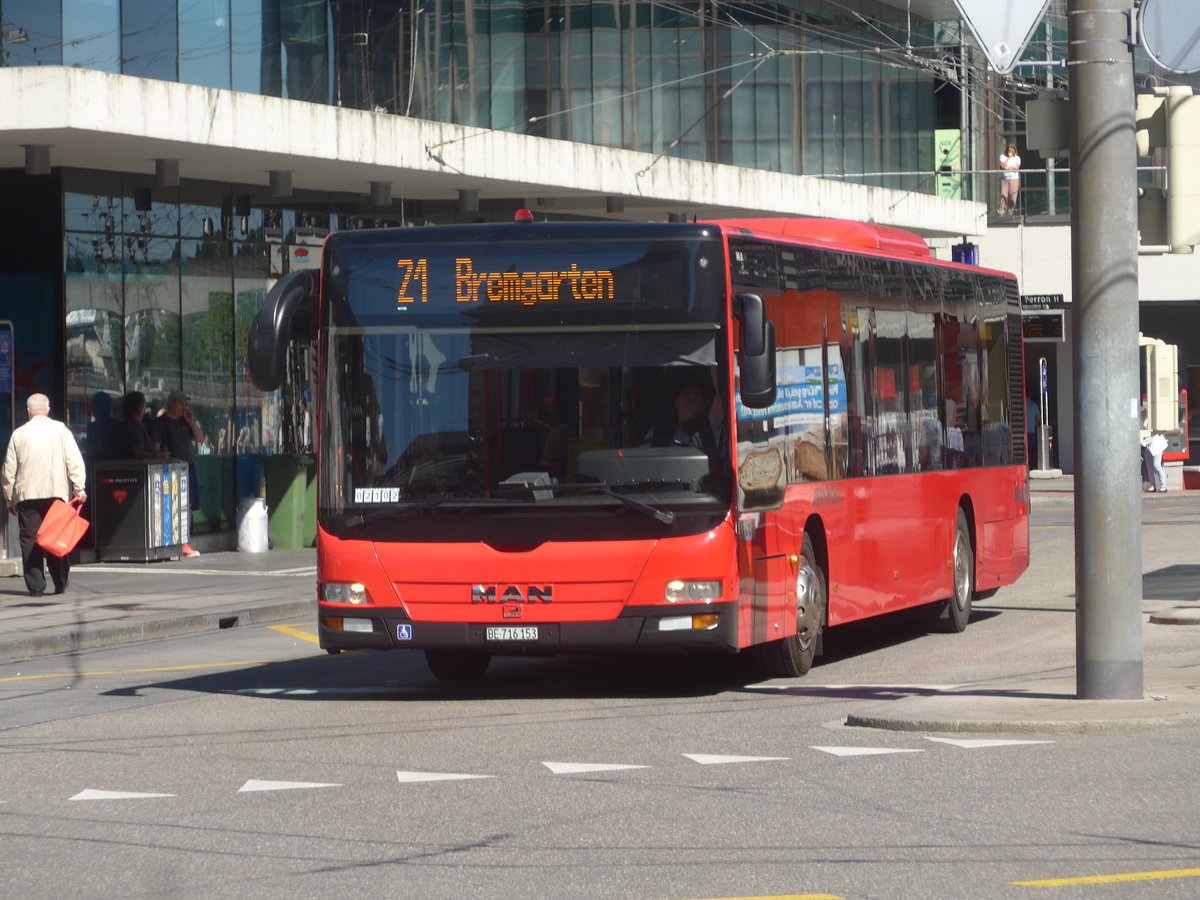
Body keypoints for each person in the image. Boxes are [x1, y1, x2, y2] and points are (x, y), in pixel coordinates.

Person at [1, 394, 87, 596]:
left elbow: (8, 471)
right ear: (47, 409)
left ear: (28, 411)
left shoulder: (18, 434)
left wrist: (8, 499)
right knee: (57, 536)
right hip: (56, 493)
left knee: (30, 539)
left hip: (27, 495)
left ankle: (36, 586)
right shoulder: (60, 430)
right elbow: (74, 459)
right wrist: (79, 488)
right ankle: (60, 581)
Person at [153, 390, 206, 557]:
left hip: (188, 467)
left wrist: (191, 422)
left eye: (185, 403)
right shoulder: (161, 423)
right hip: (172, 469)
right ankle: (176, 541)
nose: (184, 406)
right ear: (171, 403)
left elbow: (200, 439)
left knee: (188, 505)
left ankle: (185, 541)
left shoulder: (185, 421)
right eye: (181, 403)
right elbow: (155, 447)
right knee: (174, 505)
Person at [648, 373, 717, 452]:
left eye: (696, 394)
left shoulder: (710, 430)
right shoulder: (658, 433)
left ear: (704, 404)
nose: (691, 397)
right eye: (686, 393)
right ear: (675, 401)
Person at [122, 391, 166, 460]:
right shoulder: (136, 426)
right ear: (140, 406)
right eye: (144, 403)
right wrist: (158, 456)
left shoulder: (126, 424)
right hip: (138, 469)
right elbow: (138, 453)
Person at [999, 142, 1021, 215]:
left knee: (1012, 196)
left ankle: (1011, 211)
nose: (1010, 152)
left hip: (1014, 179)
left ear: (1014, 151)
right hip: (1004, 179)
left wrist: (1007, 168)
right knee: (1003, 195)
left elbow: (1016, 168)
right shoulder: (1003, 156)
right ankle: (1001, 210)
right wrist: (1008, 158)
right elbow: (1002, 166)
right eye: (1009, 150)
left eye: (1012, 151)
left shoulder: (1017, 158)